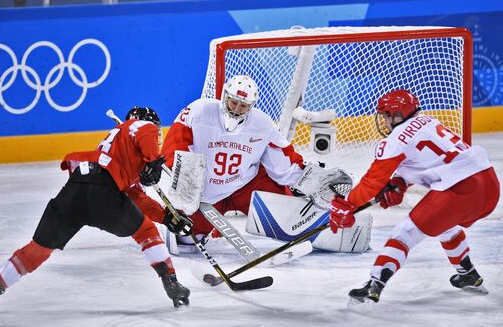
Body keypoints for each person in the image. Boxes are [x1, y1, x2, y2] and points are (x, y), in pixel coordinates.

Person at [0, 106, 192, 312]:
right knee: (145, 232)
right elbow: (144, 133)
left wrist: (165, 216)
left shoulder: (113, 148)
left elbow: (136, 196)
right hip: (104, 193)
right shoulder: (141, 126)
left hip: (76, 189)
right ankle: (170, 281)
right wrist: (154, 159)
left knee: (38, 249)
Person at [329, 89, 500, 304]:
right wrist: (400, 182)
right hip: (489, 184)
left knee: (404, 234)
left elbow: (372, 181)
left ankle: (374, 285)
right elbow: (426, 159)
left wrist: (349, 204)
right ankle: (468, 274)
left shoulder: (395, 140)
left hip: (461, 190)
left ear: (397, 115)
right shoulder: (427, 121)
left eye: (386, 115)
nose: (384, 121)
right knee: (445, 225)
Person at [161, 75, 307, 243]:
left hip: (245, 185)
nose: (237, 109)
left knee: (291, 217)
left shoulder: (263, 124)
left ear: (251, 105)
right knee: (187, 239)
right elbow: (175, 145)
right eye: (234, 102)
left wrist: (307, 181)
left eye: (243, 105)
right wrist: (186, 192)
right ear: (225, 96)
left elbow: (284, 160)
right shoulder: (199, 111)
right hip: (205, 192)